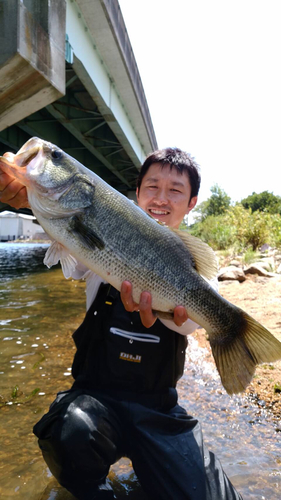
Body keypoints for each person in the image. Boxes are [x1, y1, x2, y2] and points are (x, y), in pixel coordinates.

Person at [0, 147, 243, 500]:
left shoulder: (192, 267)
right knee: (68, 431)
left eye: (175, 191)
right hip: (95, 400)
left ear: (191, 203)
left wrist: (175, 311)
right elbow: (70, 242)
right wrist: (31, 198)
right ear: (137, 192)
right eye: (152, 187)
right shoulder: (99, 229)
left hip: (158, 408)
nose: (161, 198)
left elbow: (190, 325)